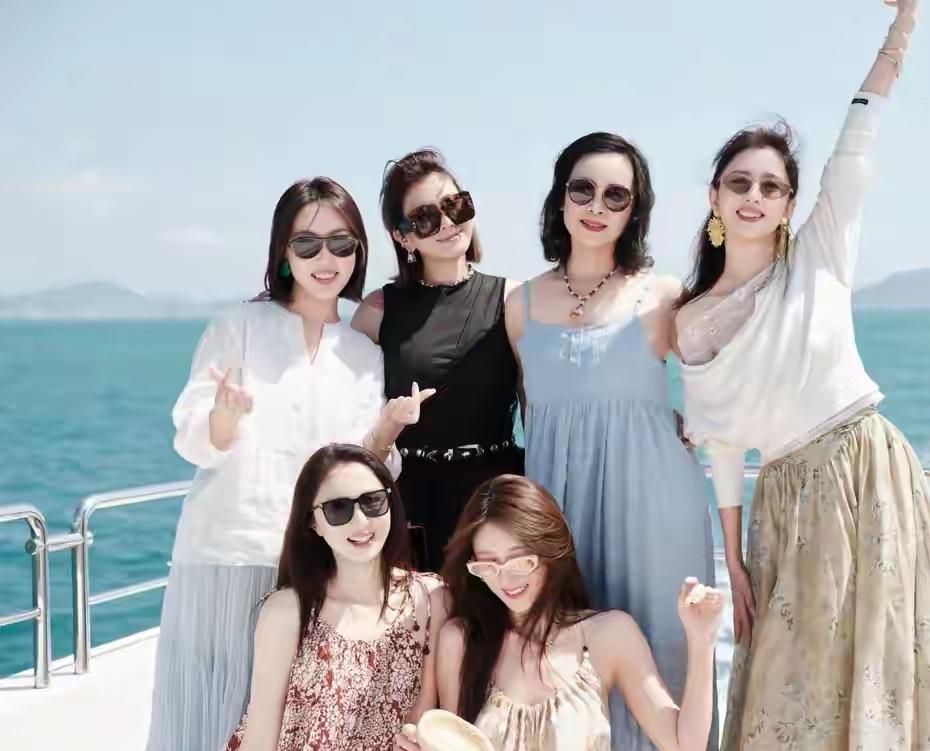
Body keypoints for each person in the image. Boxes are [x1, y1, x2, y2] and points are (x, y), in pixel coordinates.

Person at [675, 2, 930, 747]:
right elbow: (721, 444)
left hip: (870, 472)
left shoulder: (821, 249)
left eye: (771, 187)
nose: (754, 197)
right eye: (740, 183)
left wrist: (903, 26)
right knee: (787, 686)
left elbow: (858, 137)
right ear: (714, 197)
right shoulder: (693, 320)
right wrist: (732, 561)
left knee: (876, 670)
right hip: (785, 498)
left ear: (791, 203)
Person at [147, 177, 431, 750]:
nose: (326, 259)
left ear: (358, 251)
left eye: (341, 244)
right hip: (229, 555)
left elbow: (355, 467)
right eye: (307, 244)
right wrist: (224, 416)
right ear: (283, 252)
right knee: (206, 717)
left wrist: (385, 434)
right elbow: (193, 434)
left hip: (312, 565)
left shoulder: (362, 353)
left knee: (288, 725)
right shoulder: (238, 326)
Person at [504, 132, 717, 748]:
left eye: (616, 195)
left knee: (664, 653)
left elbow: (719, 382)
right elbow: (532, 409)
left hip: (654, 508)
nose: (597, 206)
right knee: (563, 665)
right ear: (560, 198)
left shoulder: (663, 295)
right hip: (558, 511)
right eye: (583, 189)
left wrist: (694, 428)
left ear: (634, 210)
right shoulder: (519, 304)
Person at [428, 474, 723, 751]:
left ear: (550, 551)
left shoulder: (609, 634)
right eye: (488, 566)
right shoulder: (461, 642)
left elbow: (685, 745)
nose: (505, 580)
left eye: (520, 561)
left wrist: (702, 639)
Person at [354, 149, 524, 572]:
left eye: (455, 205)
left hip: (495, 503)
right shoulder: (376, 313)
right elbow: (346, 414)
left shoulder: (512, 299)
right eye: (426, 217)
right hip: (408, 504)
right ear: (403, 237)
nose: (447, 222)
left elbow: (541, 409)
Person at [223, 444, 447, 750]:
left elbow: (426, 720)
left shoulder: (430, 598)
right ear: (313, 523)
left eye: (373, 501)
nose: (361, 522)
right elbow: (260, 738)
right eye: (338, 509)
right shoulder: (288, 611)